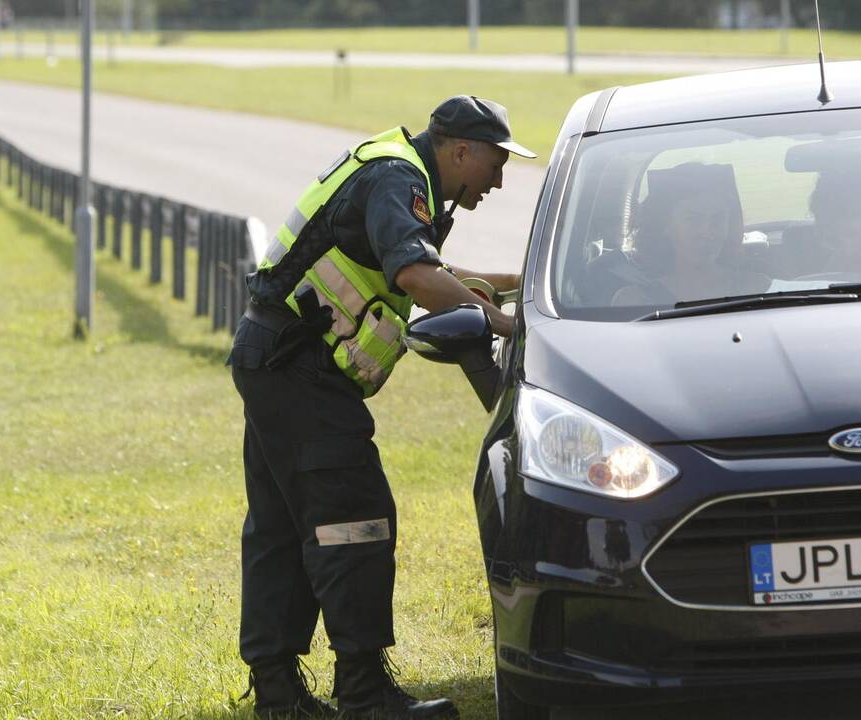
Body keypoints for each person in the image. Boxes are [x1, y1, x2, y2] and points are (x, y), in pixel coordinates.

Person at [226, 96, 536, 719]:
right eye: (496, 163)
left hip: (277, 360)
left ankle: (278, 697)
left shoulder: (398, 168)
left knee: (283, 529)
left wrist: (511, 283)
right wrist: (503, 321)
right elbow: (418, 277)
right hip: (299, 370)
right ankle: (365, 698)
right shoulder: (400, 177)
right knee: (355, 520)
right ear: (460, 151)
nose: (498, 181)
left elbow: (430, 267)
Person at [612, 162, 768, 305]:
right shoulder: (633, 302)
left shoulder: (760, 288)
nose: (708, 232)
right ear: (666, 226)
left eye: (718, 219)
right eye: (693, 220)